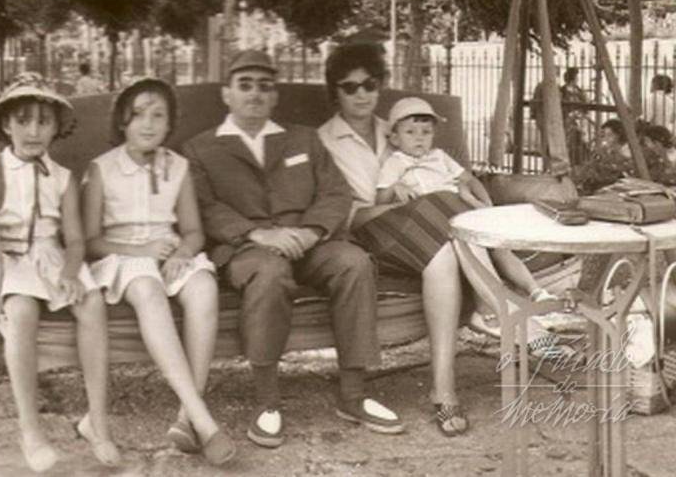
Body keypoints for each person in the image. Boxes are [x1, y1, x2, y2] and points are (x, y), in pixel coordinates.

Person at [318, 43, 566, 437]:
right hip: (367, 229)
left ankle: (444, 390)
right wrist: (412, 203)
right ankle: (500, 309)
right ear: (335, 92)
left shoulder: (397, 127)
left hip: (428, 228)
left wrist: (464, 193)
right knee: (444, 208)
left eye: (370, 84)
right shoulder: (325, 141)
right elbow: (342, 212)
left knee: (446, 251)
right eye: (349, 87)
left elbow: (454, 174)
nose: (361, 94)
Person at [183, 49, 406, 448]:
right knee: (269, 273)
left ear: (275, 96)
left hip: (308, 242)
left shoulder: (303, 138)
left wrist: (311, 230)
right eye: (245, 85)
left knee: (353, 262)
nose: (255, 94)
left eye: (264, 86)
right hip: (247, 249)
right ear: (226, 94)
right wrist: (256, 234)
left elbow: (335, 193)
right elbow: (205, 207)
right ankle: (268, 401)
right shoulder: (201, 148)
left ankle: (354, 393)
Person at [0, 72, 121, 472]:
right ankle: (31, 429)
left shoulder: (61, 177)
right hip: (7, 258)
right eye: (23, 120)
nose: (33, 131)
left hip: (50, 257)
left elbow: (74, 240)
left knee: (92, 302)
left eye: (44, 122)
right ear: (5, 125)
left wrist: (71, 272)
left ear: (56, 128)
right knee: (21, 311)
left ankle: (97, 421)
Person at [81, 78, 236, 465]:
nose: (147, 124)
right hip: (120, 257)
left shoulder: (178, 167)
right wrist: (141, 251)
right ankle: (203, 419)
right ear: (122, 122)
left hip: (167, 254)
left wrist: (182, 253)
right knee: (147, 286)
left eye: (158, 116)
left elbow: (194, 231)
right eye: (137, 115)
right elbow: (91, 241)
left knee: (203, 285)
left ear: (170, 124)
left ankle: (185, 418)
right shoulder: (102, 169)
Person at [377, 97, 564, 331]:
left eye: (426, 132)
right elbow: (380, 200)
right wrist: (396, 187)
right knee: (471, 249)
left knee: (498, 248)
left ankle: (536, 291)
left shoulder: (439, 157)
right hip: (432, 220)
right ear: (395, 138)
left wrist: (485, 203)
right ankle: (488, 310)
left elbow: (470, 180)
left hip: (461, 209)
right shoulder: (395, 163)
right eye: (410, 132)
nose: (419, 138)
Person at [560, 67, 588, 165]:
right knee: (568, 141)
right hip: (567, 120)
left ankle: (578, 162)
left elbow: (585, 104)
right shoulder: (562, 91)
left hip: (579, 120)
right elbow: (560, 105)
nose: (577, 79)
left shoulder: (579, 91)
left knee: (580, 141)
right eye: (576, 77)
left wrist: (581, 113)